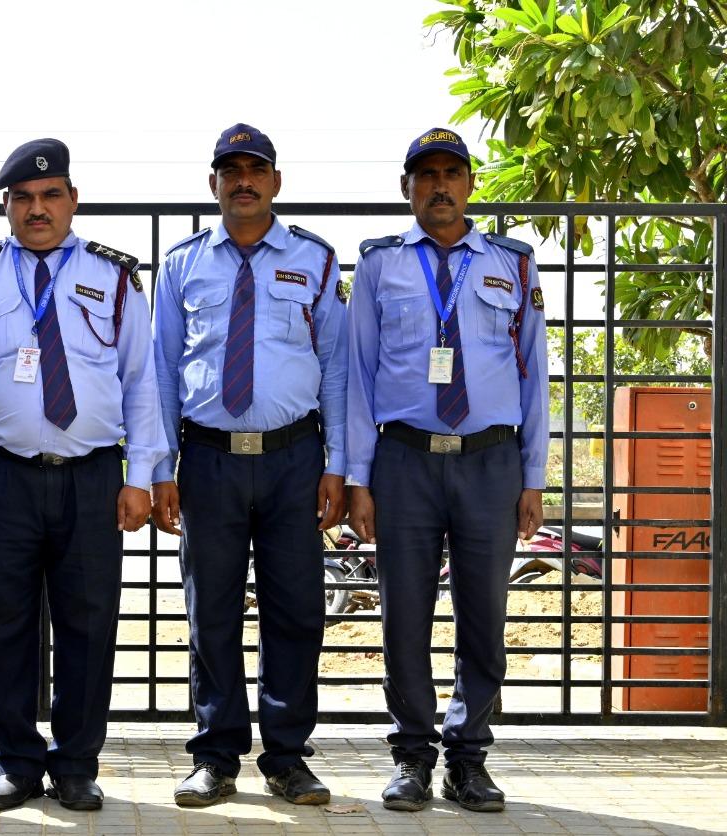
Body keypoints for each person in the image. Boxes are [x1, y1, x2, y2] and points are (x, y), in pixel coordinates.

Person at [0, 138, 165, 812]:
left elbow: (142, 382)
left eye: (50, 195)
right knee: (0, 623)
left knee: (89, 623)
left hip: (92, 476)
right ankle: (17, 762)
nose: (37, 209)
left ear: (72, 200)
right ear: (7, 206)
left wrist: (140, 474)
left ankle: (77, 765)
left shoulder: (114, 277)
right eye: (23, 198)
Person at [346, 127, 548, 813]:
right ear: (406, 188)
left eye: (451, 174)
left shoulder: (513, 264)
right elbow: (358, 377)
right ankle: (411, 757)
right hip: (404, 461)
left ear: (469, 184)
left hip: (491, 462)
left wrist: (533, 477)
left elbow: (534, 374)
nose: (439, 186)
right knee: (404, 616)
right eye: (426, 175)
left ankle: (469, 759)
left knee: (483, 616)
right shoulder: (379, 266)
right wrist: (359, 478)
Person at [150, 123, 347, 808]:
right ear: (213, 184)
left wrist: (339, 464)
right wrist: (160, 467)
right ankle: (216, 754)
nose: (243, 181)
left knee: (296, 609)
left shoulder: (315, 259)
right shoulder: (182, 265)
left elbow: (337, 368)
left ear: (275, 182)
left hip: (295, 458)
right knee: (211, 612)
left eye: (255, 170)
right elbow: (160, 370)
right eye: (230, 171)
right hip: (209, 458)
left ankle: (288, 757)